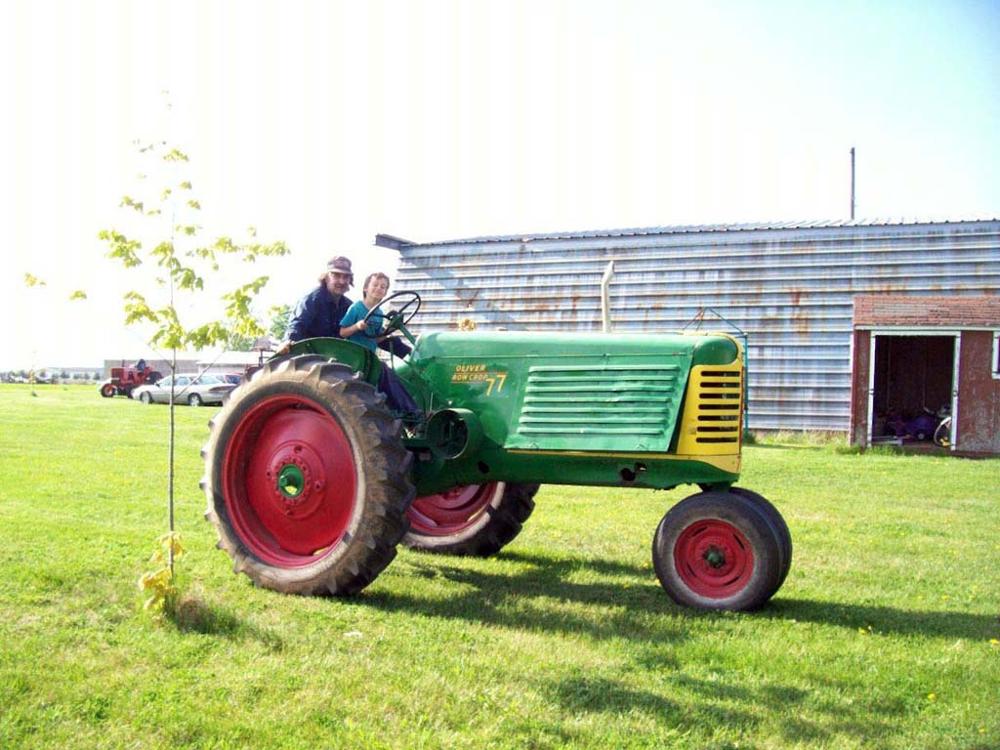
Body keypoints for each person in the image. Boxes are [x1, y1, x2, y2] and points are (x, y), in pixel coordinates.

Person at [283, 257, 419, 417]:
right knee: (379, 369)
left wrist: (409, 351)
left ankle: (410, 405)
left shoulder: (347, 304)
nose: (341, 281)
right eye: (336, 275)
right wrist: (287, 341)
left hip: (338, 356)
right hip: (317, 359)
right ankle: (413, 416)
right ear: (327, 276)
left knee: (391, 363)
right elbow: (297, 324)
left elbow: (368, 333)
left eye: (345, 277)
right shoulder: (312, 300)